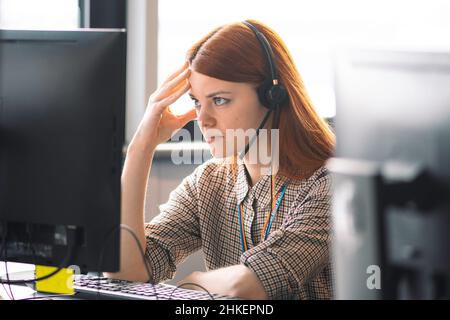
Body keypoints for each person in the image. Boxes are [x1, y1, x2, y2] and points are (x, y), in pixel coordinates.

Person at [106, 19, 335, 300]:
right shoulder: (209, 181)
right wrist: (141, 148)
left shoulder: (329, 185)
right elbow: (126, 273)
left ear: (273, 96)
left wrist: (192, 283)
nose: (203, 119)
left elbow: (249, 286)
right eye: (196, 102)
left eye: (220, 100)